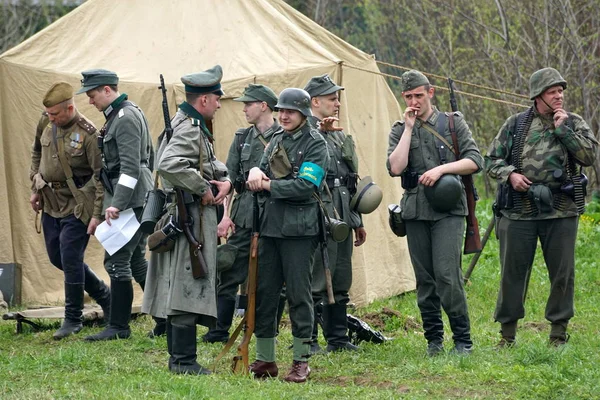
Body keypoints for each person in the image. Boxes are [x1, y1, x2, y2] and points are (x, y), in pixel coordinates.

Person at [486, 67, 598, 347]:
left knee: (562, 273)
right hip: (518, 211)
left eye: (561, 91)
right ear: (538, 96)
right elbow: (490, 160)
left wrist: (565, 131)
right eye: (552, 91)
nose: (559, 96)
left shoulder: (573, 123)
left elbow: (589, 157)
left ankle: (558, 334)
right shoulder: (515, 124)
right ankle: (507, 335)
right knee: (512, 273)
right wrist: (510, 175)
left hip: (561, 209)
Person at [142, 65, 232, 375]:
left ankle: (179, 359)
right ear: (205, 100)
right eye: (217, 99)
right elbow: (168, 164)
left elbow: (202, 160)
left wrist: (223, 177)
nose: (220, 104)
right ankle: (183, 361)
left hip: (185, 214)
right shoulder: (191, 126)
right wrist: (203, 186)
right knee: (186, 286)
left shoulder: (187, 123)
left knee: (181, 284)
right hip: (190, 215)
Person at [387, 70, 483, 356]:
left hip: (449, 209)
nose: (414, 101)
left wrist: (441, 168)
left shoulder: (452, 122)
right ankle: (434, 340)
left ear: (431, 92)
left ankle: (463, 340)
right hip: (415, 210)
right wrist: (407, 128)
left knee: (446, 274)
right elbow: (395, 168)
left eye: (418, 94)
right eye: (408, 96)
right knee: (425, 280)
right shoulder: (399, 128)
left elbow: (474, 160)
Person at [246, 88, 328, 383]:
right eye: (281, 111)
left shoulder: (316, 144)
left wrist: (268, 186)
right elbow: (263, 169)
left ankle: (300, 361)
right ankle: (265, 359)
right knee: (265, 294)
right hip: (270, 227)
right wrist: (256, 170)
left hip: (300, 231)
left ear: (303, 114)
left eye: (290, 112)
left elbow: (305, 187)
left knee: (298, 295)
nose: (284, 116)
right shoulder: (276, 140)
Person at [76, 69, 159, 341]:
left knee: (116, 260)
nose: (90, 101)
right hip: (133, 197)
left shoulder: (124, 117)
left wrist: (118, 204)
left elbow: (131, 166)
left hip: (131, 199)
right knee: (135, 261)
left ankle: (119, 326)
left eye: (92, 95)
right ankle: (165, 319)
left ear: (108, 90)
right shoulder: (120, 114)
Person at [202, 84, 285, 344]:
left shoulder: (285, 136)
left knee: (272, 276)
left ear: (263, 106)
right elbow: (230, 180)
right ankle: (219, 330)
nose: (244, 108)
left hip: (275, 215)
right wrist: (225, 216)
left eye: (248, 104)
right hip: (244, 214)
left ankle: (267, 329)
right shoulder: (242, 138)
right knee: (228, 271)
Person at [29, 82, 110, 340]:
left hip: (77, 205)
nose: (50, 119)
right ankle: (104, 295)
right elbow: (36, 153)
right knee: (57, 257)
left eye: (55, 114)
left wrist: (96, 214)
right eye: (49, 114)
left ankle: (73, 318)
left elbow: (99, 177)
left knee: (71, 257)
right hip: (51, 201)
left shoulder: (88, 134)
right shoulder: (46, 121)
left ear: (70, 108)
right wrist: (35, 186)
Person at [303, 74, 366, 353]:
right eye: (332, 98)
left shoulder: (338, 133)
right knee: (317, 277)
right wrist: (320, 133)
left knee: (341, 276)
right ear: (315, 102)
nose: (337, 103)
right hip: (319, 211)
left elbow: (350, 178)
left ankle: (338, 338)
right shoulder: (304, 133)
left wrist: (356, 221)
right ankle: (310, 340)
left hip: (342, 212)